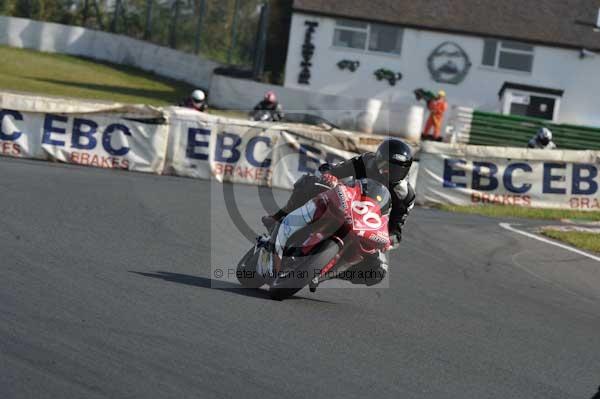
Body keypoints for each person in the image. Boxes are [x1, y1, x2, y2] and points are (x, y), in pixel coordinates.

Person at [261, 138, 415, 287]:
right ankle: (278, 218)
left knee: (378, 271)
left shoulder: (406, 195)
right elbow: (336, 169)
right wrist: (330, 175)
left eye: (395, 169)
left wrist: (388, 240)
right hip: (345, 198)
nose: (388, 172)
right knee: (309, 182)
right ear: (377, 158)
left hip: (367, 224)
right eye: (385, 165)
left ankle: (327, 272)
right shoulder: (366, 160)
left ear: (405, 170)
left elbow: (396, 228)